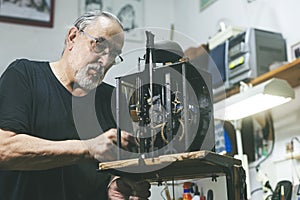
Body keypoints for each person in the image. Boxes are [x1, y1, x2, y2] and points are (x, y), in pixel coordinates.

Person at [0, 11, 150, 200]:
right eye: (99, 44)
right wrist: (88, 148)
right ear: (72, 37)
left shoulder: (112, 99)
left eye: (114, 54)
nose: (105, 61)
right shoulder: (24, 75)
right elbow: (4, 149)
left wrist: (113, 184)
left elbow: (107, 167)